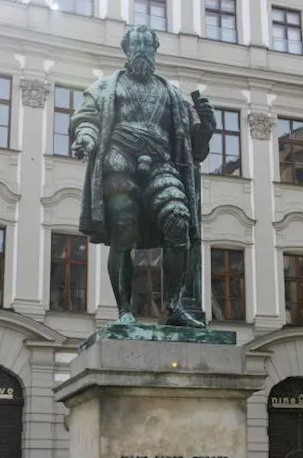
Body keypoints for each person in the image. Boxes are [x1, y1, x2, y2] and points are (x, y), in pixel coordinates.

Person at [69, 24, 216, 328]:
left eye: (147, 46)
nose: (142, 52)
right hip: (119, 160)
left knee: (178, 220)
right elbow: (86, 118)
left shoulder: (172, 94)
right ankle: (125, 310)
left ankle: (174, 305)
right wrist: (86, 137)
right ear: (126, 50)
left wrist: (208, 127)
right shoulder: (107, 86)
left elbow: (194, 148)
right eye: (136, 46)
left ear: (155, 51)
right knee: (123, 231)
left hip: (161, 163)